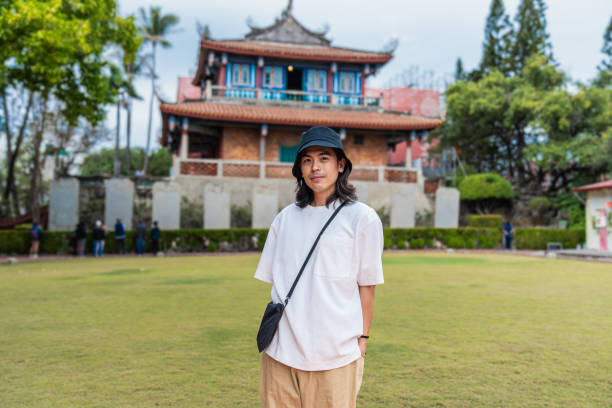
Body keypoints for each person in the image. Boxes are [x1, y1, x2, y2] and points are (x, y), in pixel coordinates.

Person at [255, 126, 384, 408]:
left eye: (324, 158)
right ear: (299, 169)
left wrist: (362, 339)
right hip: (280, 353)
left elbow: (367, 286)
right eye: (307, 160)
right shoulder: (284, 219)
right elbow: (275, 284)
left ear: (340, 165)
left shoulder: (363, 219)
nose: (315, 167)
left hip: (335, 355)